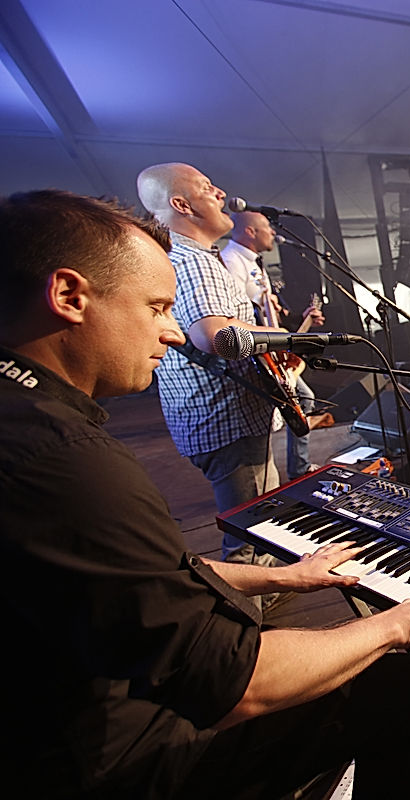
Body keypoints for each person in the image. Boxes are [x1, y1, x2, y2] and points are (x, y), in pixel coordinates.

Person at [0, 189, 410, 799]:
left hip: (56, 715)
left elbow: (144, 575)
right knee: (403, 686)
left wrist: (282, 578)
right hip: (111, 759)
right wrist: (398, 624)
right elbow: (235, 681)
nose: (172, 334)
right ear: (70, 296)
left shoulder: (25, 419)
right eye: (157, 308)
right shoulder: (68, 464)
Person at [137, 163, 286, 576]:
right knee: (251, 538)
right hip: (229, 423)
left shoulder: (186, 256)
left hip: (215, 421)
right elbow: (214, 335)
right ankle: (243, 630)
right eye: (206, 188)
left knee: (261, 528)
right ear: (181, 205)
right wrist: (287, 339)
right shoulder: (195, 261)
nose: (221, 193)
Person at [221, 209, 327, 481]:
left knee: (302, 399)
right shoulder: (232, 261)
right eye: (267, 227)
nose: (273, 232)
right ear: (249, 231)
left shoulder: (254, 264)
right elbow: (234, 315)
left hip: (270, 350)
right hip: (255, 355)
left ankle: (298, 467)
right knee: (299, 400)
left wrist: (297, 318)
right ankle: (295, 469)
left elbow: (270, 311)